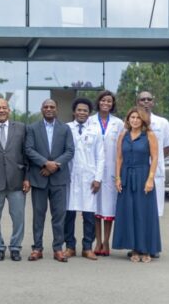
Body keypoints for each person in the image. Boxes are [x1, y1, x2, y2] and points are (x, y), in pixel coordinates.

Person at [25, 99, 74, 263]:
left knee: (59, 216)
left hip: (59, 179)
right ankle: (37, 248)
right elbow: (29, 149)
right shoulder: (32, 128)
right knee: (38, 216)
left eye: (52, 107)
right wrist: (46, 163)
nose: (49, 109)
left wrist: (55, 166)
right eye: (46, 107)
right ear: (41, 109)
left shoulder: (65, 128)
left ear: (56, 109)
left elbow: (70, 151)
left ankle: (58, 249)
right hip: (39, 177)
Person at [113, 107, 161, 263]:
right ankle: (134, 248)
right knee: (129, 212)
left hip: (142, 176)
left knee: (143, 213)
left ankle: (146, 249)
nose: (134, 120)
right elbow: (119, 158)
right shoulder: (123, 135)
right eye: (132, 117)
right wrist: (118, 178)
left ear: (143, 120)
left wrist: (150, 179)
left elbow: (155, 158)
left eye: (138, 118)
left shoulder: (149, 135)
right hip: (126, 176)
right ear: (128, 119)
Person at [0, 98, 29, 262]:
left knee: (18, 217)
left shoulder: (21, 128)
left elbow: (26, 154)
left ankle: (16, 247)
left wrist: (27, 178)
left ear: (9, 110)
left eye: (4, 107)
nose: (1, 110)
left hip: (17, 180)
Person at [64, 98, 104, 261]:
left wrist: (98, 178)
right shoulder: (66, 128)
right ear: (74, 112)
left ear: (89, 113)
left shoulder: (95, 130)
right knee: (69, 214)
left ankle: (87, 247)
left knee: (89, 215)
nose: (82, 113)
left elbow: (100, 156)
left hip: (89, 178)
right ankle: (70, 246)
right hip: (70, 177)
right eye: (79, 110)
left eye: (85, 110)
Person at [88, 90, 124, 257]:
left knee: (109, 208)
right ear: (98, 102)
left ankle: (106, 242)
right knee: (95, 207)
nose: (106, 103)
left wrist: (119, 174)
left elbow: (122, 149)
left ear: (112, 104)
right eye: (103, 100)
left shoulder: (118, 123)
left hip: (111, 170)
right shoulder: (90, 121)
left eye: (109, 101)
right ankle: (97, 241)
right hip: (94, 170)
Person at [136, 91, 169, 218]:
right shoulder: (132, 122)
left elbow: (168, 146)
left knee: (155, 210)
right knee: (138, 209)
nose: (146, 101)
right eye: (143, 99)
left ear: (153, 103)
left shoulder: (162, 122)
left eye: (149, 99)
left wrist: (155, 159)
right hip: (136, 171)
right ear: (137, 102)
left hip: (156, 172)